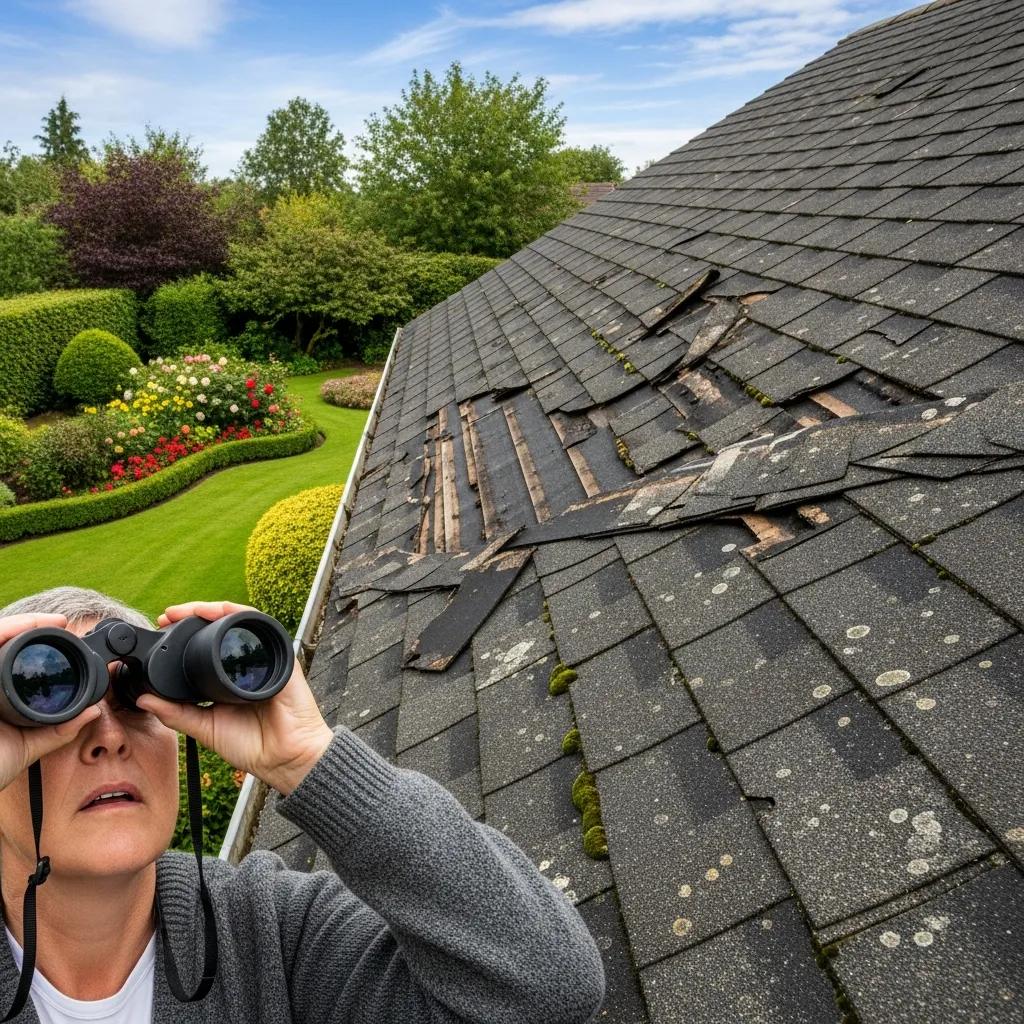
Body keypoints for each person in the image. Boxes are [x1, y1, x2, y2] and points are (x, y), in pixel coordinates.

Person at [0, 586, 606, 1023]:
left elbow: (547, 989)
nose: (108, 736)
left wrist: (310, 759)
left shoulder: (279, 936)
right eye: (49, 702)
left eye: (134, 701)